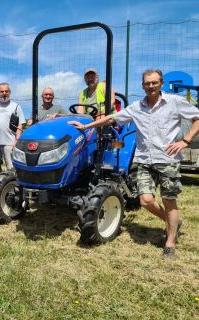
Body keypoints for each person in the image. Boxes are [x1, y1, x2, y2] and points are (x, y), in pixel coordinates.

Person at [68, 69, 199, 259]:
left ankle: (170, 242)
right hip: (145, 159)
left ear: (161, 83)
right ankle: (172, 222)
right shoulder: (137, 107)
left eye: (154, 82)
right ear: (143, 85)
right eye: (147, 83)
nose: (151, 86)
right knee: (145, 200)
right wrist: (86, 126)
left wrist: (185, 141)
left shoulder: (174, 102)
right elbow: (112, 117)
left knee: (169, 201)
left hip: (167, 160)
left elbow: (197, 118)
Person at [0, 83, 25, 182]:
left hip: (10, 143)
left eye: (6, 91)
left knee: (11, 168)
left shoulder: (16, 106)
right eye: (2, 91)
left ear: (10, 92)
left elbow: (20, 124)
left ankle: (13, 190)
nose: (4, 93)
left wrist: (16, 140)